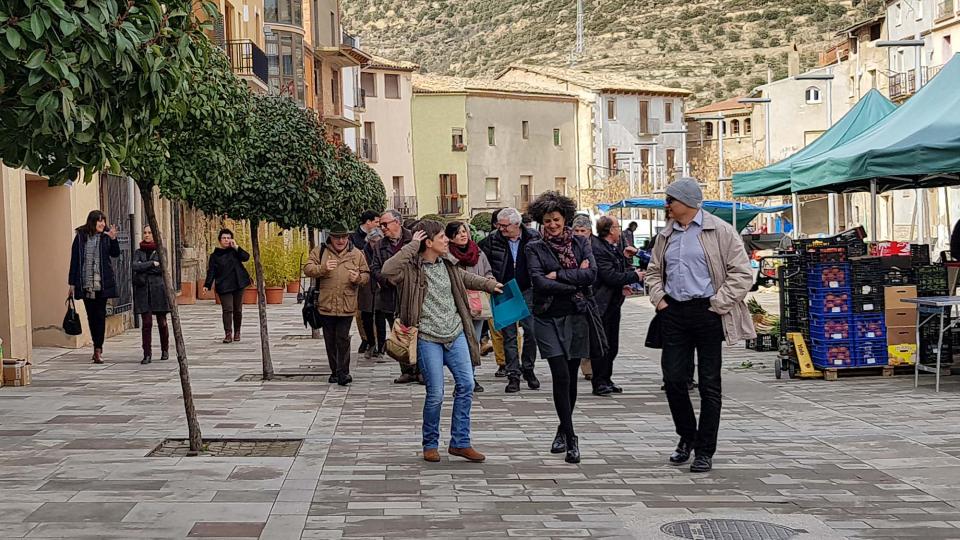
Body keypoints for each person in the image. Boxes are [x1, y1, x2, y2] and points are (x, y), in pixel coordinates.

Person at [645, 178, 754, 473]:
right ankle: (687, 437)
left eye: (671, 200)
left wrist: (718, 304)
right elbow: (653, 272)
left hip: (707, 311)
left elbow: (742, 274)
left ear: (688, 202)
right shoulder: (666, 235)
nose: (666, 206)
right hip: (674, 311)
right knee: (674, 380)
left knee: (709, 384)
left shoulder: (719, 230)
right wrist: (660, 300)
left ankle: (705, 449)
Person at [381, 221, 501, 463]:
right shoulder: (410, 269)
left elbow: (466, 278)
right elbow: (387, 270)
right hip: (427, 337)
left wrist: (490, 284)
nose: (447, 240)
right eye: (442, 238)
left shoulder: (448, 264)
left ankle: (460, 442)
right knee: (435, 393)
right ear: (428, 242)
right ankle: (430, 443)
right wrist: (412, 244)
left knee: (466, 384)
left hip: (455, 333)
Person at [525, 191, 600, 464]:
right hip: (546, 317)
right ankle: (572, 438)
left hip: (576, 315)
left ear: (564, 218)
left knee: (570, 376)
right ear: (541, 221)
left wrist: (559, 275)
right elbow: (539, 282)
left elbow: (591, 275)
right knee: (560, 376)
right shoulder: (534, 247)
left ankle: (562, 428)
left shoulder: (581, 243)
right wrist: (574, 279)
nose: (552, 225)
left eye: (556, 219)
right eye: (547, 221)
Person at [479, 206, 541, 393]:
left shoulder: (533, 237)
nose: (501, 228)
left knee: (531, 332)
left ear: (517, 224)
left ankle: (528, 368)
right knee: (509, 335)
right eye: (499, 225)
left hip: (528, 289)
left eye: (505, 226)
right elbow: (482, 260)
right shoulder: (492, 239)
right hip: (503, 290)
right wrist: (489, 279)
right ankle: (513, 374)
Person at [304, 222, 370, 386]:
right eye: (337, 237)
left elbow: (366, 274)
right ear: (330, 238)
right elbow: (308, 268)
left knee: (343, 338)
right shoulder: (320, 251)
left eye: (344, 237)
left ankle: (343, 373)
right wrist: (323, 268)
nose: (341, 240)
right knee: (330, 340)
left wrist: (358, 278)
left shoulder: (356, 254)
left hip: (347, 304)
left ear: (348, 237)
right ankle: (335, 371)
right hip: (326, 304)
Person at [591, 216, 644, 395]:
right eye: (617, 227)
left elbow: (617, 271)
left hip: (613, 302)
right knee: (603, 344)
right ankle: (599, 381)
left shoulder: (613, 248)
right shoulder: (599, 249)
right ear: (611, 230)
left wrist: (625, 263)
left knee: (612, 344)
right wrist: (634, 276)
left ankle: (606, 378)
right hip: (602, 303)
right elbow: (609, 276)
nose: (620, 230)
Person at [371, 209, 419, 383]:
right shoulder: (379, 245)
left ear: (397, 222)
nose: (382, 228)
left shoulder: (414, 239)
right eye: (380, 224)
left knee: (417, 333)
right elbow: (375, 269)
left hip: (412, 295)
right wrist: (387, 281)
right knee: (398, 334)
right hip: (390, 296)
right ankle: (406, 370)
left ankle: (421, 370)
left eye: (385, 224)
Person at [447, 220, 494, 394]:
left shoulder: (478, 252)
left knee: (473, 341)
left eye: (464, 231)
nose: (463, 235)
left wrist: (490, 281)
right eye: (458, 232)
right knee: (461, 342)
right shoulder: (446, 255)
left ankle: (470, 377)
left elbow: (488, 271)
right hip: (457, 303)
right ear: (450, 237)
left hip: (477, 302)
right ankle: (462, 378)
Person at [68, 210, 121, 364]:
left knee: (100, 315)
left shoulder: (106, 237)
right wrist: (71, 283)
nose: (103, 224)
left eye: (103, 221)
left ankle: (98, 348)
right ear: (92, 222)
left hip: (101, 285)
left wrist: (113, 239)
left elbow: (115, 254)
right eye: (99, 221)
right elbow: (75, 261)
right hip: (85, 285)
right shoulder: (80, 238)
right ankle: (96, 346)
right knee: (91, 317)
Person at [202, 229, 252, 344]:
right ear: (220, 240)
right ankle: (228, 333)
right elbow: (211, 271)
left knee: (237, 309)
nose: (226, 240)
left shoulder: (235, 251)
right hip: (223, 285)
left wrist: (236, 247)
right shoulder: (215, 256)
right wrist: (207, 284)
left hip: (238, 283)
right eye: (224, 238)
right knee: (227, 309)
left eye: (228, 238)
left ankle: (237, 331)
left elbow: (246, 257)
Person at [132, 226, 170, 365]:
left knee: (162, 322)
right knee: (146, 323)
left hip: (158, 290)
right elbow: (134, 266)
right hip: (143, 290)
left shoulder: (161, 250)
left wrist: (145, 267)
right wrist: (152, 264)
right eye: (145, 233)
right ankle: (146, 354)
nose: (147, 235)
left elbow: (162, 268)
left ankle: (165, 350)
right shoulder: (138, 251)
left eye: (150, 232)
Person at [351, 210, 380, 354]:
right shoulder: (353, 238)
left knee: (374, 312)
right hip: (359, 280)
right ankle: (366, 339)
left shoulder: (379, 238)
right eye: (376, 221)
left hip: (374, 281)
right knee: (361, 312)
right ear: (368, 222)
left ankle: (373, 340)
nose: (378, 224)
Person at [571, 214, 595, 382]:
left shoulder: (596, 246)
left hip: (597, 295)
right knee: (581, 333)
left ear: (590, 231)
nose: (579, 234)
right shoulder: (569, 247)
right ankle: (587, 368)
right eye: (576, 230)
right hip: (577, 296)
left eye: (583, 230)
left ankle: (594, 367)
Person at [360, 227, 384, 359]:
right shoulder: (363, 253)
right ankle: (371, 343)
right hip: (367, 289)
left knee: (380, 318)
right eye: (373, 241)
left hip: (380, 288)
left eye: (378, 241)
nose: (375, 244)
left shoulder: (383, 252)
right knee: (367, 318)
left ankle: (381, 347)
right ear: (368, 241)